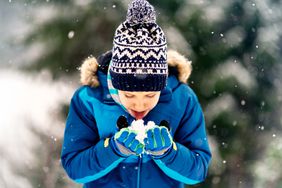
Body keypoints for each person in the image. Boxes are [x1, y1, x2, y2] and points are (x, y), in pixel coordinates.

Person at [61, 0, 212, 187]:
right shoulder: (89, 100)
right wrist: (113, 149)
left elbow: (199, 169)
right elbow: (74, 167)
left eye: (150, 95)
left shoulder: (183, 99)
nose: (139, 106)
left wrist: (169, 152)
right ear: (115, 85)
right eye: (129, 95)